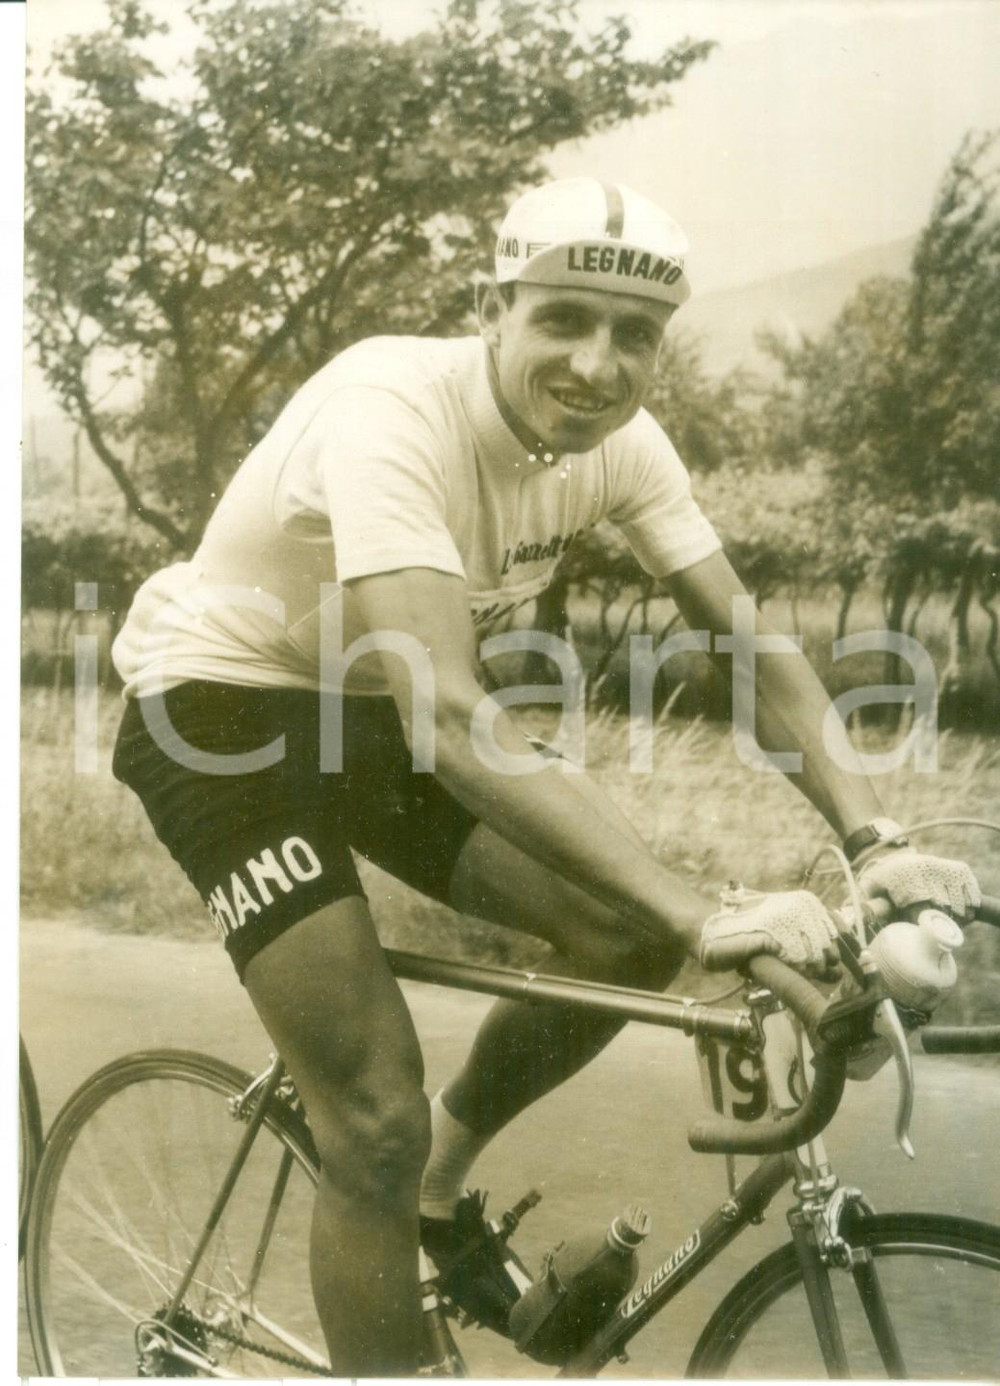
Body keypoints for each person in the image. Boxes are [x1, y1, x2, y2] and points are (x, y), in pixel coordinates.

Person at [110, 176, 979, 1375]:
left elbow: (747, 647)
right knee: (369, 1112)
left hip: (369, 713)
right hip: (222, 714)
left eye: (635, 336)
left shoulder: (622, 446)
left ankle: (436, 1186)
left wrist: (872, 836)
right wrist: (703, 909)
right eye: (562, 319)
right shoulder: (389, 410)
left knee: (620, 938)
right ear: (491, 308)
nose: (596, 363)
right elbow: (455, 717)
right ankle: (394, 1201)